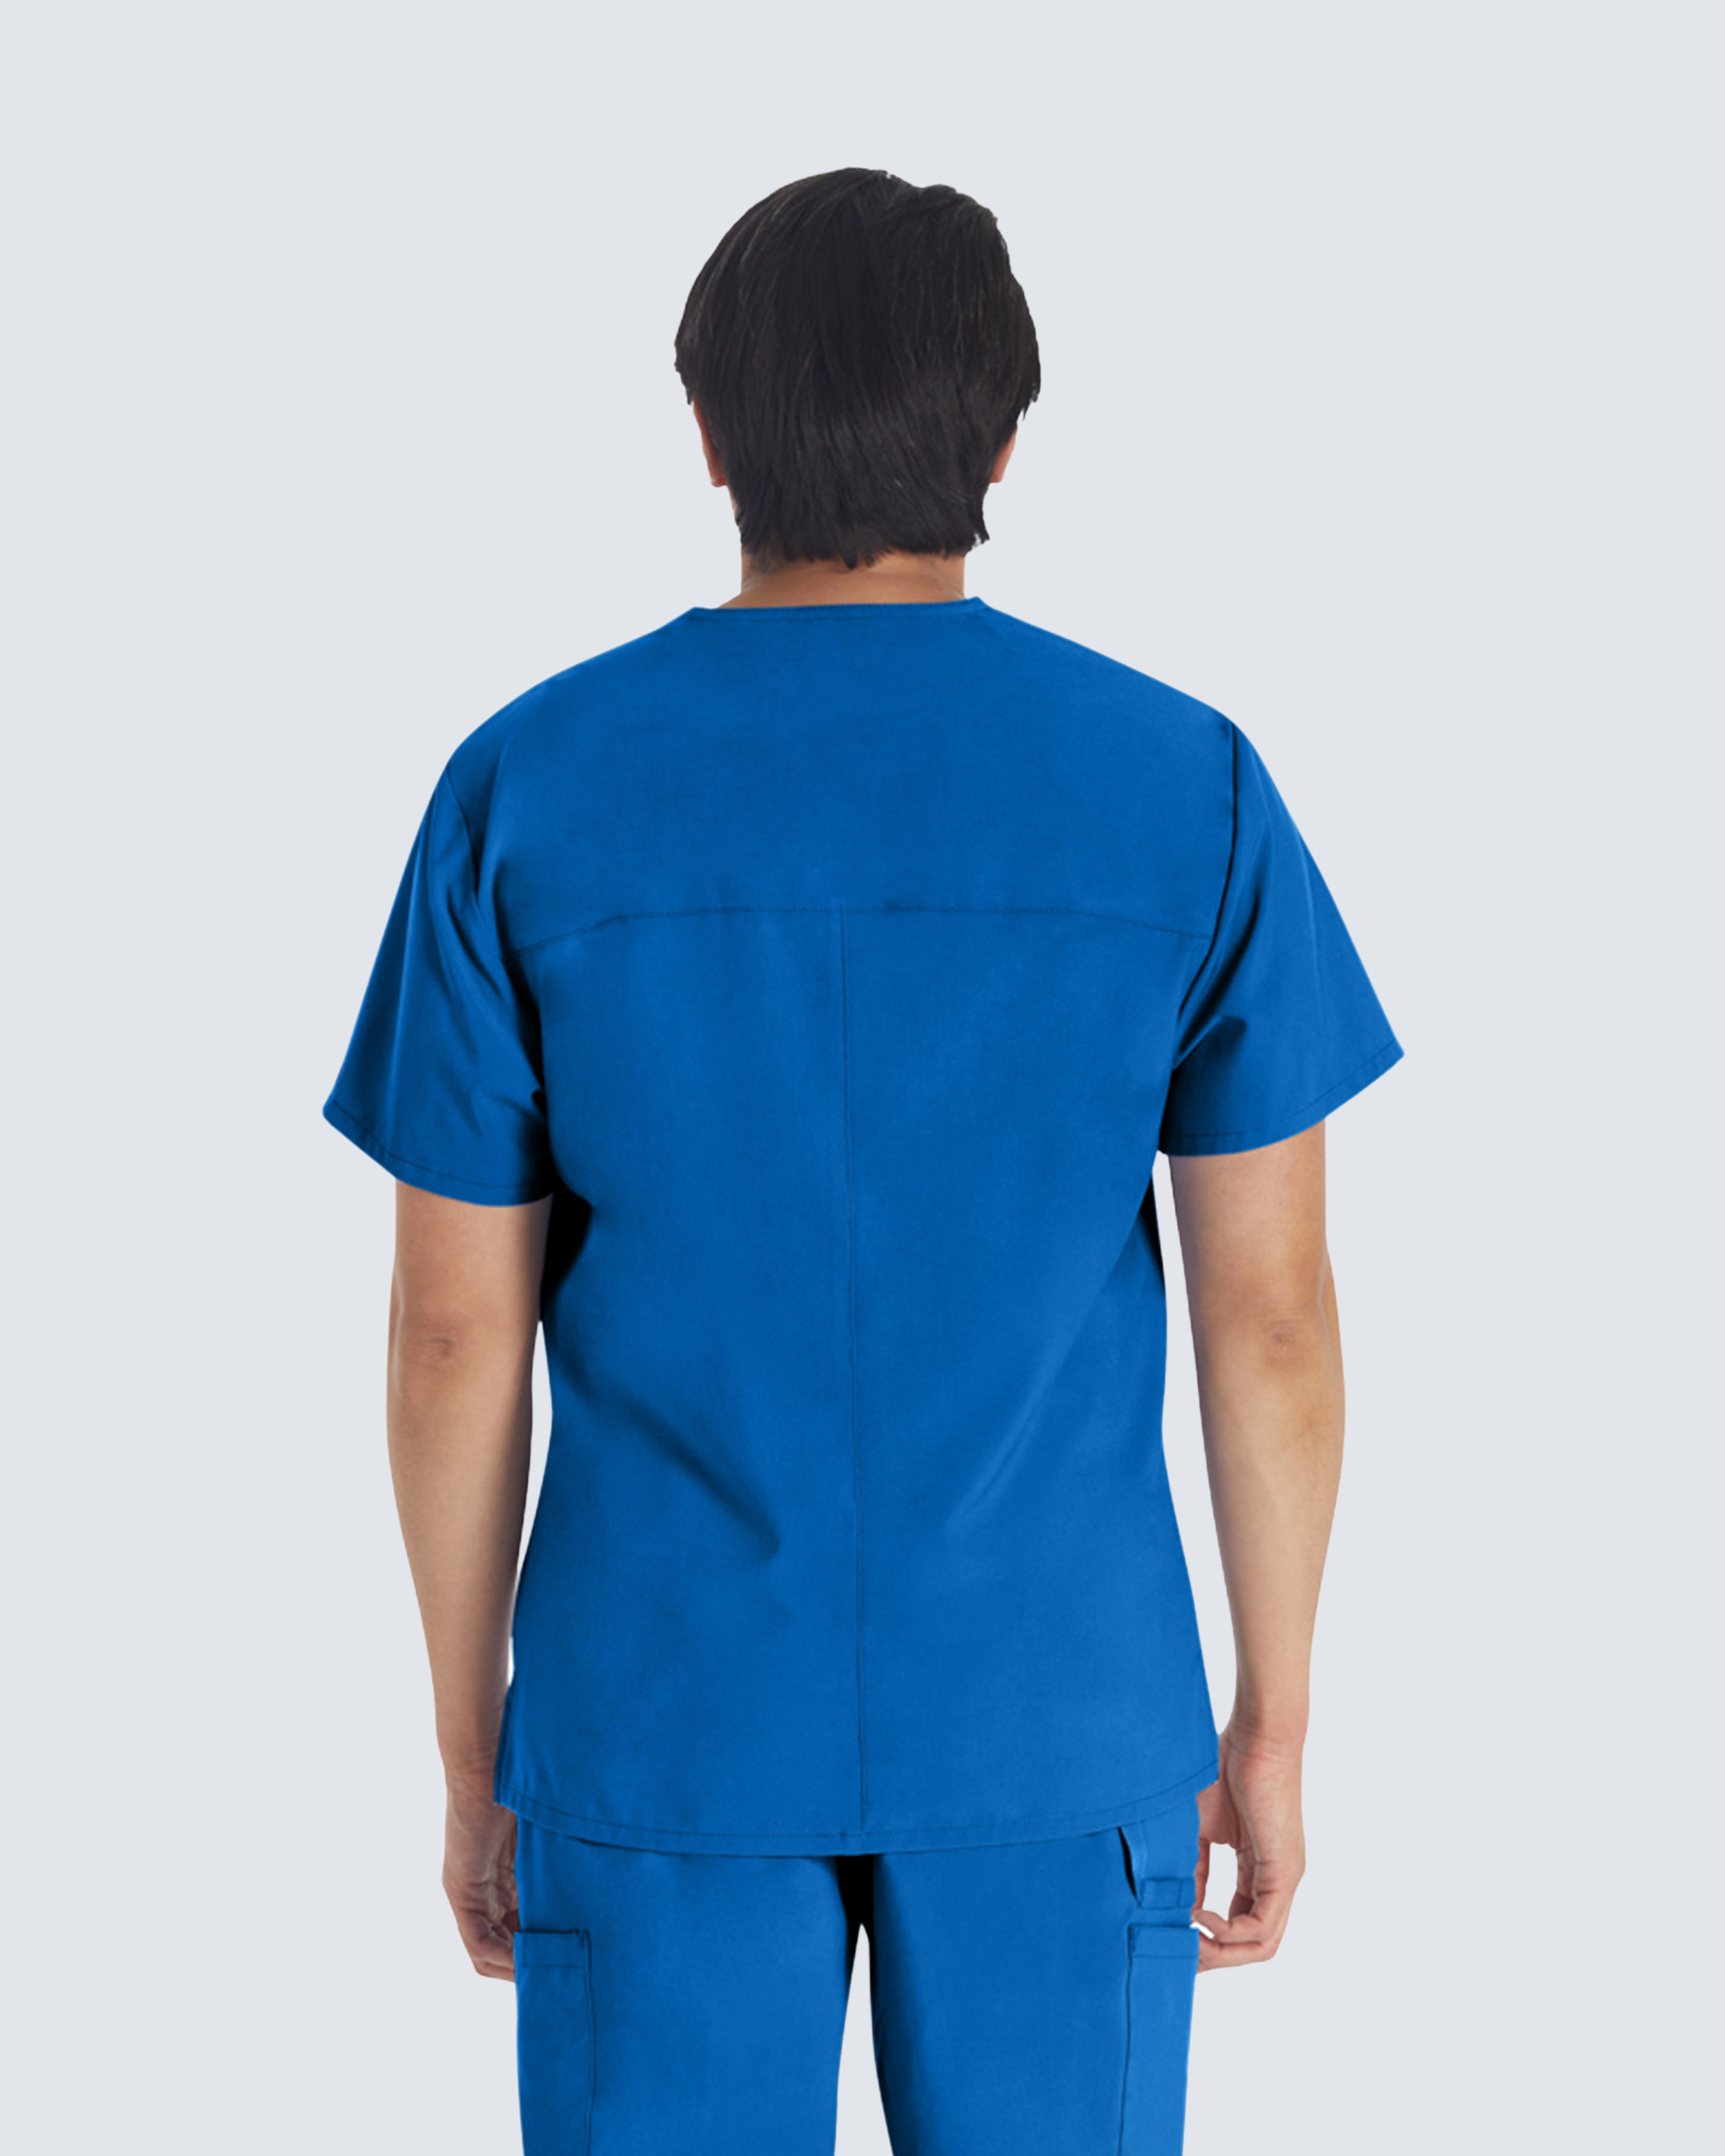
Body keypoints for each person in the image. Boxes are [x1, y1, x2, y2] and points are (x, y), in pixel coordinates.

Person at [324, 166, 1402, 2155]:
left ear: (710, 434)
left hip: (659, 1720)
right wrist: (1270, 1718)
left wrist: (477, 1751)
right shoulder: (1186, 785)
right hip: (1059, 1715)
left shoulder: (525, 786)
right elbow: (1268, 1319)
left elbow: (454, 1339)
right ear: (1003, 440)